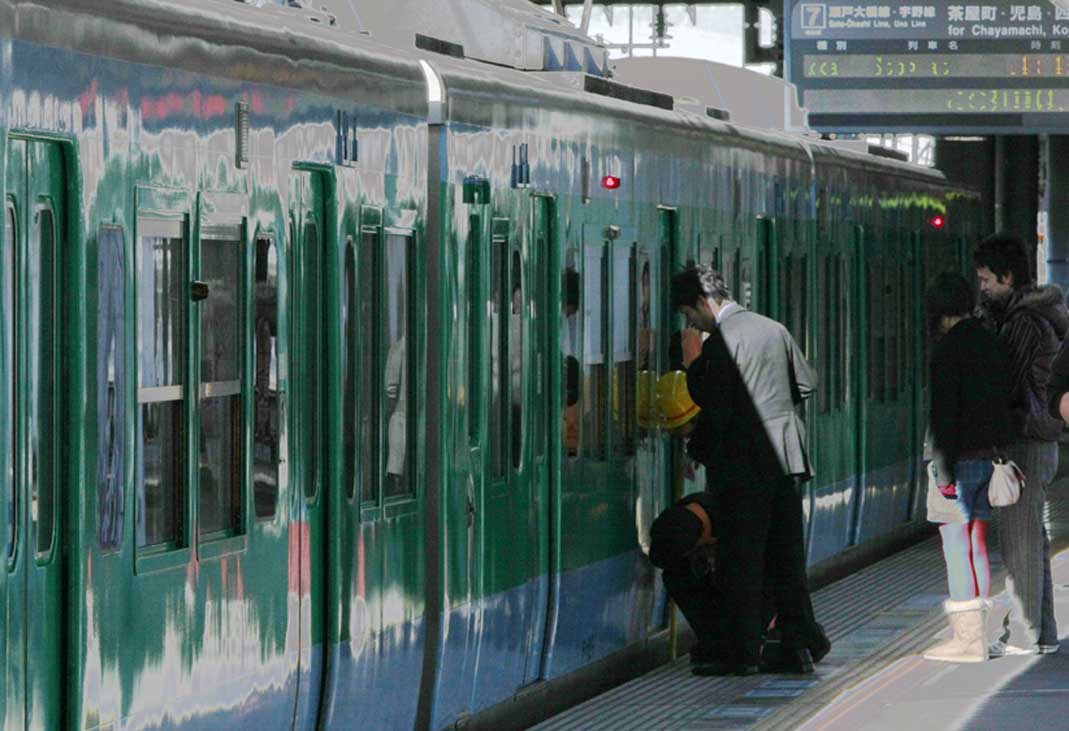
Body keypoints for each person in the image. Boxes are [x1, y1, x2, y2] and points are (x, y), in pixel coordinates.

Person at [671, 265, 827, 675]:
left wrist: (693, 364)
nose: (693, 324)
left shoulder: (722, 342)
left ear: (704, 303)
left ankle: (739, 653)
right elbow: (807, 384)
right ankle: (799, 645)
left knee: (743, 558)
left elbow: (715, 403)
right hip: (787, 460)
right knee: (786, 556)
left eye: (691, 315)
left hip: (745, 468)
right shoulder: (771, 327)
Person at [975, 232, 1067, 656]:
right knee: (1032, 535)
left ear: (1008, 277)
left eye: (987, 279)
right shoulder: (1032, 315)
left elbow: (1005, 382)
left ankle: (1027, 632)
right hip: (1039, 436)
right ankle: (1040, 631)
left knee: (1021, 539)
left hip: (1026, 438)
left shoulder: (1024, 323)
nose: (983, 287)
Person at [921, 273, 1015, 663]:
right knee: (976, 545)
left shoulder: (946, 352)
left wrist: (942, 475)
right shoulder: (990, 344)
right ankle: (984, 635)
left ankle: (967, 640)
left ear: (939, 312)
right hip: (989, 460)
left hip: (957, 463)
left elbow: (943, 418)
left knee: (955, 547)